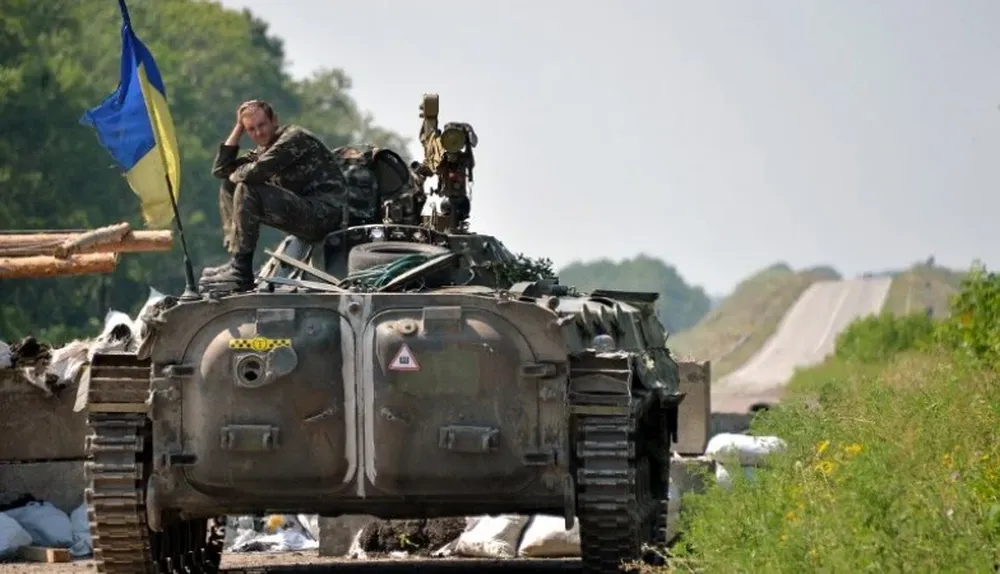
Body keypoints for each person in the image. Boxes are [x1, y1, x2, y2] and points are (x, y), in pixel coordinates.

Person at [202, 100, 352, 290]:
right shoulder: (263, 149)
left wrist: (236, 175)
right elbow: (220, 170)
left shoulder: (294, 138)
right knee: (228, 186)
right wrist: (239, 127)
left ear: (275, 121)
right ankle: (237, 260)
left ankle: (241, 271)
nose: (258, 133)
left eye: (262, 125)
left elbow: (255, 172)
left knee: (248, 187)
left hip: (326, 216)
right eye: (251, 129)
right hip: (306, 213)